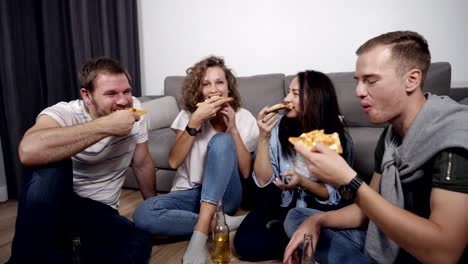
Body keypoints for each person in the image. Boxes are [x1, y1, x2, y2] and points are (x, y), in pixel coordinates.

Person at [283, 31, 468, 264]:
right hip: (388, 239)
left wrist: (348, 180)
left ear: (412, 79)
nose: (359, 91)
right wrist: (317, 221)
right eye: (358, 81)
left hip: (427, 252)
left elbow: (445, 253)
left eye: (371, 80)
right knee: (298, 217)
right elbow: (366, 208)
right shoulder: (391, 135)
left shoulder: (454, 138)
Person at [10, 57, 156, 263]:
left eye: (127, 91)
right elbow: (27, 151)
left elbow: (142, 163)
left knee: (139, 242)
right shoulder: (65, 112)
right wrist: (106, 126)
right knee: (50, 162)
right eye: (111, 94)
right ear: (87, 95)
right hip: (56, 203)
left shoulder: (136, 112)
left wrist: (153, 207)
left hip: (100, 211)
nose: (123, 100)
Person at [132, 55, 259, 264]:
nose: (214, 90)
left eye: (219, 82)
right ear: (199, 90)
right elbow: (174, 161)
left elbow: (246, 173)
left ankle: (200, 233)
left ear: (229, 87)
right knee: (142, 215)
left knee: (221, 141)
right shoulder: (188, 115)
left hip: (226, 196)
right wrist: (195, 122)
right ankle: (218, 222)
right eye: (206, 84)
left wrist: (233, 129)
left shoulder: (244, 117)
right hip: (191, 193)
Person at [233, 70, 354, 261]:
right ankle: (303, 247)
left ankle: (304, 244)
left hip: (318, 208)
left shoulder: (336, 137)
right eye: (288, 92)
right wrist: (263, 137)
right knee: (244, 244)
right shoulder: (278, 127)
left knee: (320, 232)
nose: (286, 98)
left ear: (315, 99)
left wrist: (303, 182)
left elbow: (334, 195)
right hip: (281, 202)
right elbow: (263, 181)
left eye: (295, 94)